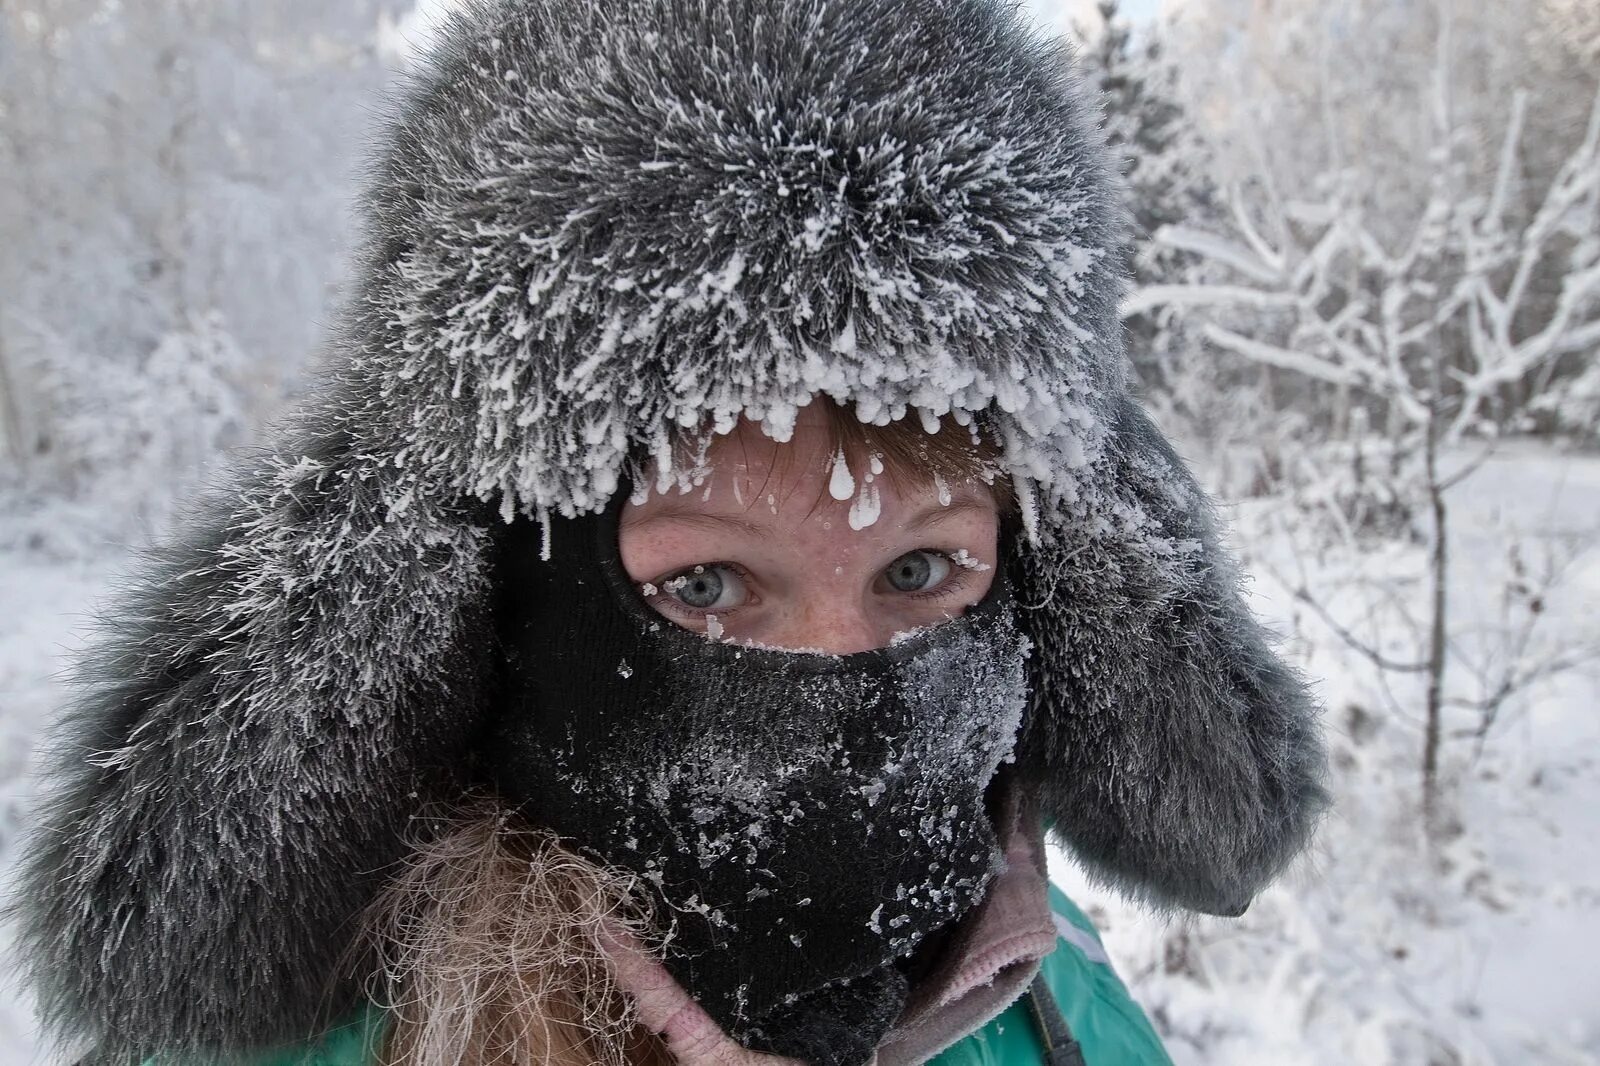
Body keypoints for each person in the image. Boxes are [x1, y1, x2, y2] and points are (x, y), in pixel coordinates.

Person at [5, 1, 1329, 1064]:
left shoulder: (1054, 996)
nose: (847, 698)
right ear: (500, 599)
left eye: (920, 568)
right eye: (708, 578)